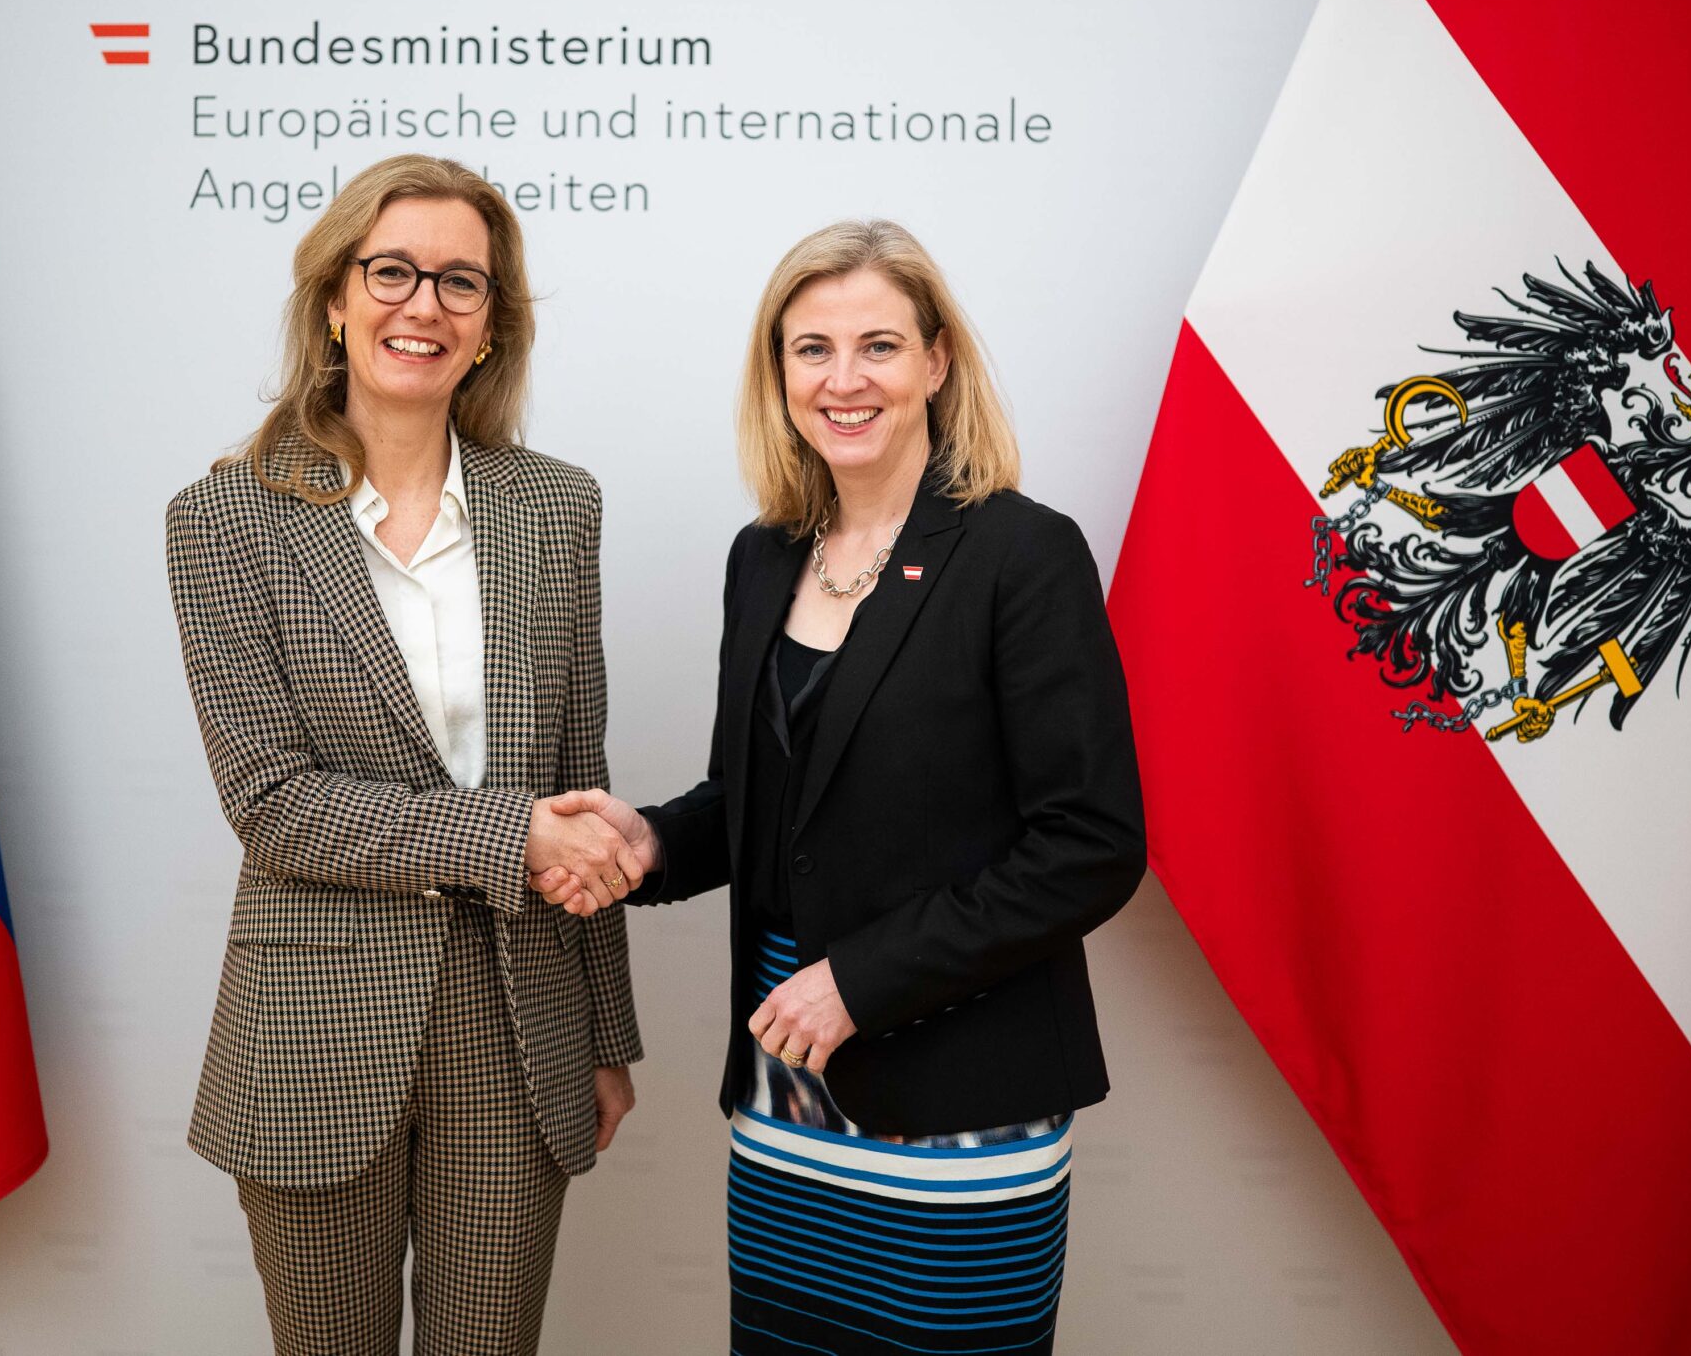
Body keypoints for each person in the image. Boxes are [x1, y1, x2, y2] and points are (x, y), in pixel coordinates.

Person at [538, 219, 1147, 1354]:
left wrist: (860, 983)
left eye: (877, 344)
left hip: (958, 1109)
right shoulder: (763, 555)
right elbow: (768, 807)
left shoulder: (1022, 555)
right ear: (778, 374)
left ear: (935, 364)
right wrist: (648, 845)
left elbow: (1091, 844)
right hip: (786, 1103)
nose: (844, 378)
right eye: (810, 348)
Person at [165, 154, 647, 1356]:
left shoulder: (558, 508)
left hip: (517, 1021)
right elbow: (273, 806)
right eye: (391, 272)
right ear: (335, 298)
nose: (421, 306)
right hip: (312, 1032)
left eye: (460, 284)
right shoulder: (223, 520)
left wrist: (604, 1030)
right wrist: (511, 837)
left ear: (491, 326)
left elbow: (579, 766)